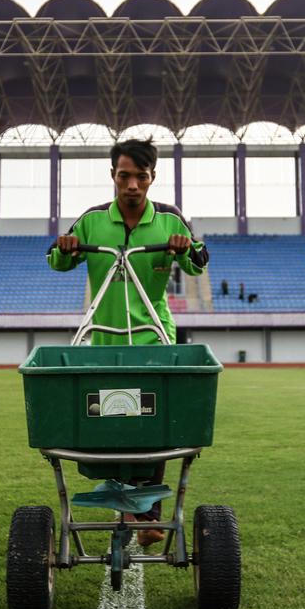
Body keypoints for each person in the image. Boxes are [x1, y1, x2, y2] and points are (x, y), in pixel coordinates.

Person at [47, 138, 209, 545]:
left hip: (154, 338)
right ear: (113, 177)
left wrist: (185, 247)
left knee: (153, 427)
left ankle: (149, 514)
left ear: (152, 178)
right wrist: (65, 247)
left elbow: (199, 260)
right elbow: (56, 260)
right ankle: (125, 499)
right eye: (125, 176)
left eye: (140, 176)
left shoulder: (170, 219)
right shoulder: (93, 220)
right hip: (104, 341)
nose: (132, 184)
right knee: (112, 422)